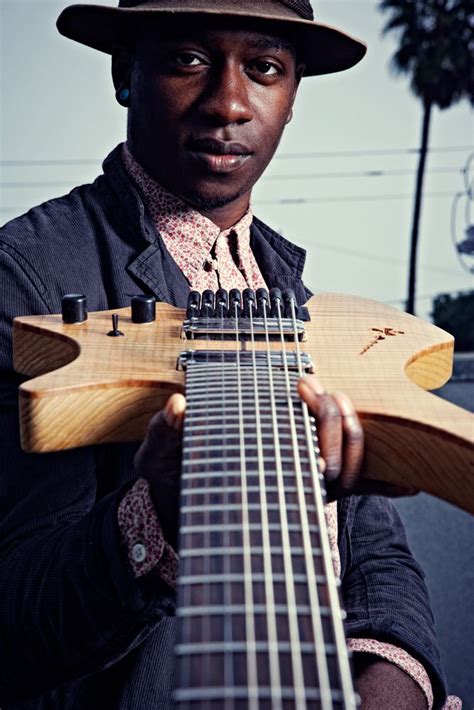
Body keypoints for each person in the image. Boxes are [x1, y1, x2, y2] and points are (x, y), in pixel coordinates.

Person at [0, 1, 457, 708]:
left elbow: (372, 550)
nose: (230, 103)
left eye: (265, 67)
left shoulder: (292, 291)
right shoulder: (26, 278)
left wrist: (393, 682)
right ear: (126, 74)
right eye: (188, 59)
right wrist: (152, 521)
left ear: (293, 93)